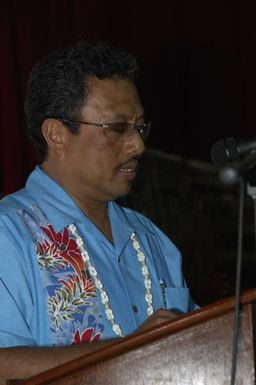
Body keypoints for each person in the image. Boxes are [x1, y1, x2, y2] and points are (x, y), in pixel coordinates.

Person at [0, 40, 198, 379]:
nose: (138, 145)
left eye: (139, 128)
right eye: (117, 128)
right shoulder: (9, 234)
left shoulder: (153, 240)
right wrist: (131, 352)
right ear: (56, 134)